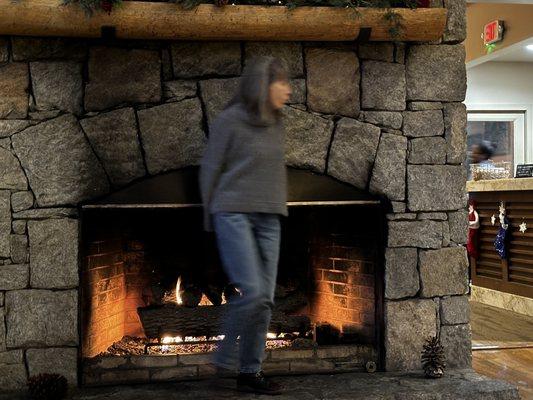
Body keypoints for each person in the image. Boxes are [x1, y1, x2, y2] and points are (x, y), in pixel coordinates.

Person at [199, 56, 292, 395]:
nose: (288, 90)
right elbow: (210, 167)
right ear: (262, 85)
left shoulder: (278, 122)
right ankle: (223, 356)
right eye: (281, 83)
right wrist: (209, 213)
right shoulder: (230, 120)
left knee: (265, 299)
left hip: (270, 217)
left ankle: (250, 373)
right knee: (252, 293)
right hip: (233, 213)